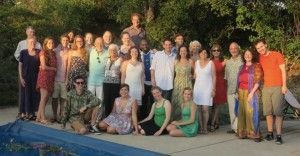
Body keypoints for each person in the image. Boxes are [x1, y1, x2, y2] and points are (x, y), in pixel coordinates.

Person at [255, 39, 287, 144]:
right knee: (268, 112)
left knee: (278, 113)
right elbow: (258, 74)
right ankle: (270, 133)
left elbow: (283, 71)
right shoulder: (259, 58)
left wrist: (284, 85)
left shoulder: (277, 55)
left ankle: (278, 136)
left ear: (266, 45)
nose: (260, 49)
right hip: (266, 87)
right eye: (258, 48)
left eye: (261, 46)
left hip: (278, 86)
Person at [237, 48, 263, 142]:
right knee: (242, 112)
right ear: (243, 56)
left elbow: (258, 80)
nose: (247, 56)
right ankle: (243, 133)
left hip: (251, 91)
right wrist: (237, 92)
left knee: (252, 112)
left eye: (249, 54)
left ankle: (254, 134)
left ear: (252, 55)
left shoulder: (256, 65)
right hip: (241, 91)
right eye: (246, 54)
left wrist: (251, 93)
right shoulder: (241, 66)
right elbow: (238, 80)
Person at [193, 49, 216, 134]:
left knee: (205, 109)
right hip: (198, 88)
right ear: (199, 54)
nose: (204, 54)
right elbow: (195, 75)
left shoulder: (211, 63)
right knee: (198, 109)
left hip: (207, 88)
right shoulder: (196, 63)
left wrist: (214, 89)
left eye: (205, 52)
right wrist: (191, 76)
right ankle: (201, 127)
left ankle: (205, 127)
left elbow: (214, 76)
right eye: (202, 52)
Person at [18, 37, 40, 120]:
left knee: (34, 95)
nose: (32, 44)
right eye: (31, 42)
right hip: (25, 77)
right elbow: (20, 66)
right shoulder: (23, 52)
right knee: (25, 95)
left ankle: (33, 113)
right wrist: (20, 77)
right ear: (27, 43)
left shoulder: (39, 52)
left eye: (34, 42)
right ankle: (24, 112)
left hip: (35, 77)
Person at [36, 37, 57, 124]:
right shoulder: (43, 52)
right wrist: (53, 69)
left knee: (45, 98)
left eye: (52, 43)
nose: (51, 44)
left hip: (50, 78)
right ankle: (43, 118)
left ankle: (38, 117)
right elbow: (43, 66)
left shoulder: (53, 53)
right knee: (43, 98)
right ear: (45, 44)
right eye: (49, 43)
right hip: (44, 77)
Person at [224, 42, 243, 134]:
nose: (233, 50)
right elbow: (226, 77)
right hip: (230, 89)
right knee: (232, 110)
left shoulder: (242, 60)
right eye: (231, 48)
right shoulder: (228, 62)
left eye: (235, 48)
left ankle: (240, 128)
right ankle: (234, 128)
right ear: (229, 50)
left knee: (240, 109)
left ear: (238, 49)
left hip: (241, 89)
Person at [171, 45, 193, 120]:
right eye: (181, 51)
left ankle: (186, 120)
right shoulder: (175, 61)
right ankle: (176, 121)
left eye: (184, 50)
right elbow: (172, 74)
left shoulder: (190, 61)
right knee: (176, 102)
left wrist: (192, 76)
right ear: (179, 52)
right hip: (177, 85)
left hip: (187, 84)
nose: (183, 52)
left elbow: (195, 74)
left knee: (186, 102)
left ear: (187, 52)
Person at [51, 35, 69, 123]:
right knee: (54, 98)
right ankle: (54, 115)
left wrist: (67, 79)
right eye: (63, 40)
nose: (65, 42)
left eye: (66, 40)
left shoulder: (70, 52)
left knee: (63, 99)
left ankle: (61, 115)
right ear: (61, 41)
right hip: (55, 79)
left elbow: (69, 67)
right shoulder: (55, 50)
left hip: (64, 79)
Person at [210, 44, 227, 132]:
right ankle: (216, 122)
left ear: (220, 52)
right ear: (212, 52)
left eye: (218, 50)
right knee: (213, 105)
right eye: (214, 50)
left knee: (217, 105)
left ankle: (212, 124)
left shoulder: (224, 61)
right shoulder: (209, 61)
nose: (216, 52)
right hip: (212, 84)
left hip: (220, 85)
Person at [102, 44, 123, 117]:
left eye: (114, 50)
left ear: (117, 51)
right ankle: (107, 117)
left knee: (113, 101)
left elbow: (122, 72)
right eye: (111, 50)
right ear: (109, 51)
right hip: (106, 83)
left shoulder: (120, 59)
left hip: (115, 83)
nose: (113, 51)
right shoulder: (106, 59)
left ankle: (113, 117)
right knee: (106, 100)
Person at [140, 39, 155, 120]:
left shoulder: (155, 54)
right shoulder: (138, 55)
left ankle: (153, 119)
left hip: (153, 83)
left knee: (153, 102)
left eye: (146, 44)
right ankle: (143, 119)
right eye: (142, 44)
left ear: (149, 45)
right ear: (140, 46)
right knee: (143, 103)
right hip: (143, 83)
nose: (144, 46)